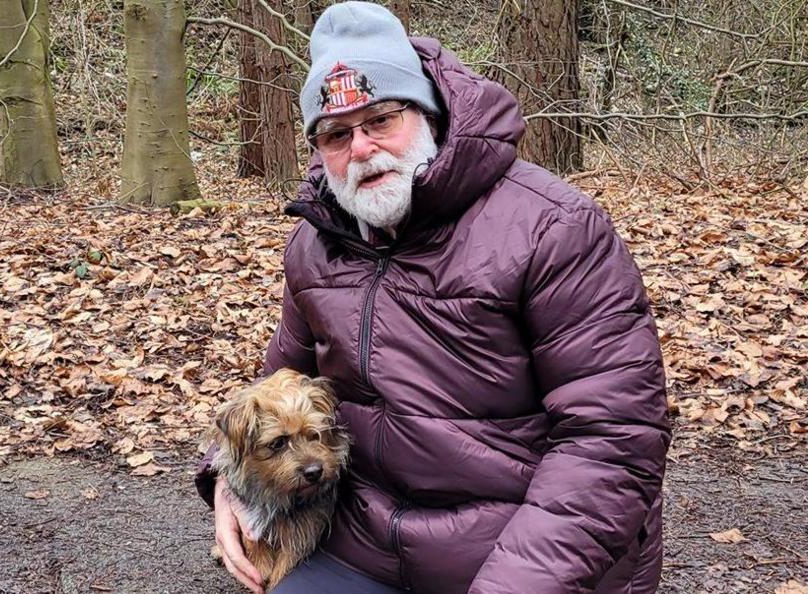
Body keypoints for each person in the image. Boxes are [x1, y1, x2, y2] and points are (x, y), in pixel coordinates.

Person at [196, 2, 671, 593]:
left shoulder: (553, 227)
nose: (362, 149)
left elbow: (612, 444)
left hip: (522, 556)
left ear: (429, 113)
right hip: (364, 546)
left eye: (382, 119)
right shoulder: (316, 244)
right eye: (337, 134)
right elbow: (273, 391)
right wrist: (226, 483)